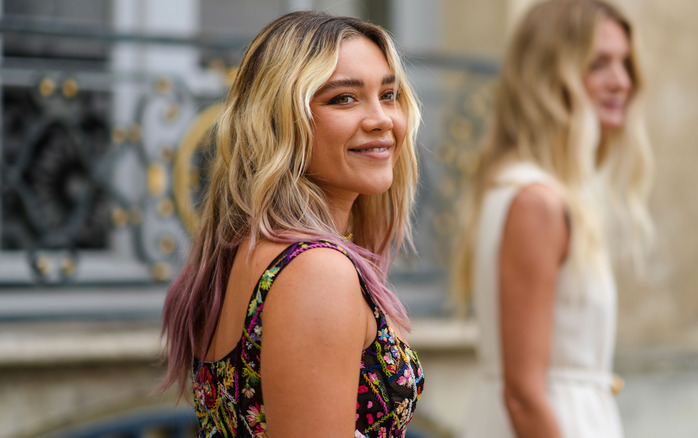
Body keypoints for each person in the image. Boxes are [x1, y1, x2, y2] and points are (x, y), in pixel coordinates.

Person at [159, 11, 424, 438]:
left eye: (389, 94)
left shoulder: (245, 251)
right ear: (280, 120)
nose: (382, 120)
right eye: (343, 98)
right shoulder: (315, 271)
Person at [453, 0, 653, 437]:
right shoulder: (536, 202)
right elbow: (523, 395)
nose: (622, 81)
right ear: (547, 76)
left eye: (624, 64)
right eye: (598, 64)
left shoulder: (533, 190)